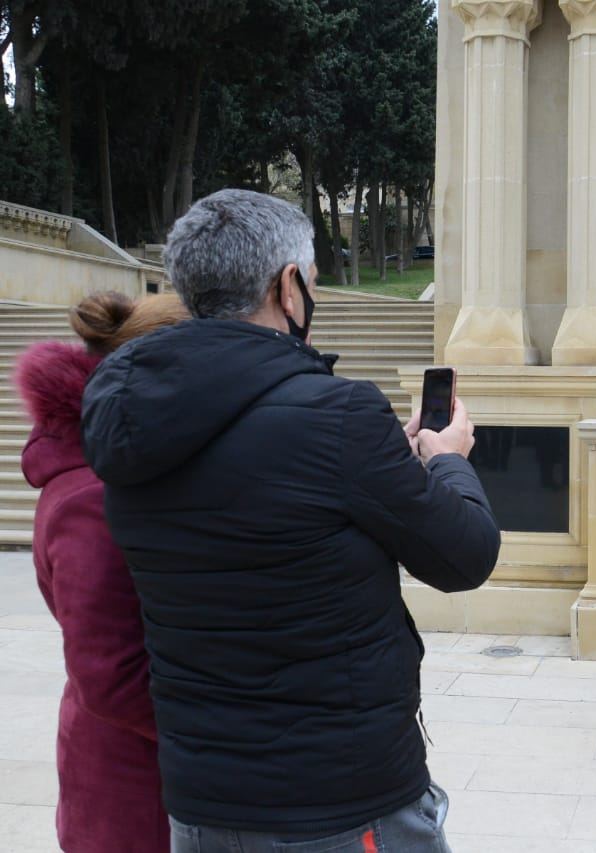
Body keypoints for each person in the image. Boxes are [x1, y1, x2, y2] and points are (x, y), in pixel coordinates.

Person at [79, 189, 501, 852]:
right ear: (289, 286)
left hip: (202, 805)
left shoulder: (129, 418)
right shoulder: (338, 418)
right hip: (342, 803)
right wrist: (444, 460)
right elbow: (466, 554)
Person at [16, 292, 190, 853]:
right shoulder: (92, 497)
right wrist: (229, 737)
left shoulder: (120, 471)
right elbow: (111, 676)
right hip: (134, 789)